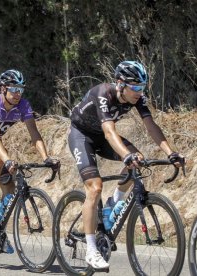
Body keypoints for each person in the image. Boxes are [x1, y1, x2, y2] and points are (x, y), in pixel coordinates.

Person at [68, 61, 186, 270]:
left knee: (137, 158)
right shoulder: (103, 93)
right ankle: (91, 250)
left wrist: (171, 153)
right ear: (120, 84)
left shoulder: (137, 99)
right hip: (82, 135)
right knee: (94, 187)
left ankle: (114, 203)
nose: (140, 92)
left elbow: (151, 126)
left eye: (143, 87)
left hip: (103, 137)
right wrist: (125, 155)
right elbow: (109, 132)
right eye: (136, 87)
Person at [0, 69, 59, 254]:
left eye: (20, 89)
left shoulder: (23, 105)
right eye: (13, 89)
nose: (17, 94)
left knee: (9, 190)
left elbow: (34, 134)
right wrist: (7, 159)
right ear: (3, 89)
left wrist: (46, 157)